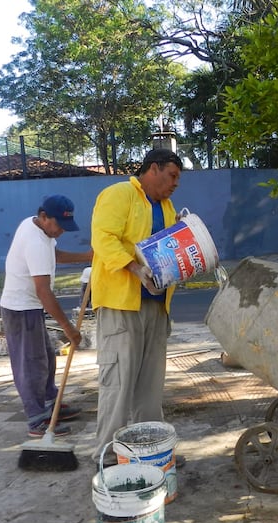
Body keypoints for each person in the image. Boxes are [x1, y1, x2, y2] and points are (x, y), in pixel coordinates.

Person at [90, 148, 183, 467]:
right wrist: (135, 269)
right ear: (153, 169)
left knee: (150, 386)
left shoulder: (168, 208)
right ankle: (107, 456)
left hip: (156, 306)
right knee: (118, 380)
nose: (174, 184)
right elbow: (103, 239)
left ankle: (149, 452)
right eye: (171, 176)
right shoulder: (118, 194)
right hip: (121, 306)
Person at [0, 195, 93, 437]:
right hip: (21, 309)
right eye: (59, 226)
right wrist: (68, 328)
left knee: (47, 360)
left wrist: (87, 257)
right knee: (32, 365)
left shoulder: (37, 228)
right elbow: (44, 291)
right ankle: (36, 419)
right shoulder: (36, 241)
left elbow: (56, 255)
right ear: (44, 217)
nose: (61, 231)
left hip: (29, 307)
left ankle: (52, 402)